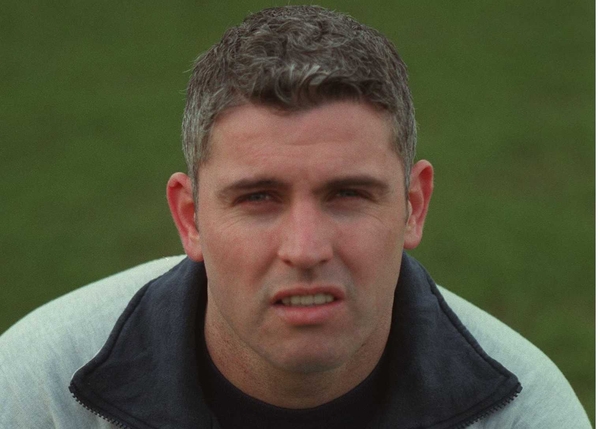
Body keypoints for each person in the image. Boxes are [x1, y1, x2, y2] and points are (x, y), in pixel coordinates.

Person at [0, 5, 591, 429]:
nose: (306, 249)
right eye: (258, 198)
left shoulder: (524, 413)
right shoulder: (39, 396)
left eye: (348, 194)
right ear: (191, 217)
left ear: (413, 206)